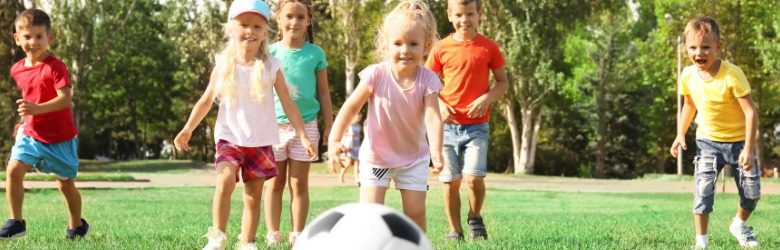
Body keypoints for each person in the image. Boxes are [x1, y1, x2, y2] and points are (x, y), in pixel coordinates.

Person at [173, 1, 315, 249]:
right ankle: (217, 237)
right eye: (244, 25)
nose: (250, 31)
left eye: (257, 26)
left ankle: (247, 242)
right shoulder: (224, 64)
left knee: (253, 196)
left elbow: (289, 105)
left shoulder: (272, 66)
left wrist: (302, 135)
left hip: (260, 141)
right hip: (230, 137)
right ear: (231, 28)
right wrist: (188, 128)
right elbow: (206, 100)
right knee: (225, 181)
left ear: (265, 32)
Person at [327, 0, 443, 231]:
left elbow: (433, 118)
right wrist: (334, 141)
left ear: (426, 45)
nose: (404, 50)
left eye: (413, 43)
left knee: (415, 212)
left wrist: (437, 152)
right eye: (397, 43)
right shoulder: (376, 75)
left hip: (413, 159)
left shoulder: (428, 80)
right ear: (387, 45)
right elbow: (350, 108)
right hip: (377, 158)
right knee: (370, 214)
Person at [670, 16, 760, 249]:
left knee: (751, 193)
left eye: (706, 47)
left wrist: (749, 149)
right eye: (692, 47)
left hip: (740, 142)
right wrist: (680, 133)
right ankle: (701, 242)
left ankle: (739, 224)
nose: (698, 52)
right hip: (707, 141)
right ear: (686, 48)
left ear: (719, 47)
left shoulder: (732, 74)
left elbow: (750, 112)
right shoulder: (688, 75)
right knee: (703, 190)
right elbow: (689, 105)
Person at [0, 9, 89, 240]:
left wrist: (38, 109)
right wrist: (22, 122)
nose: (33, 42)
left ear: (50, 38)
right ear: (17, 39)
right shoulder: (17, 69)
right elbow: (29, 97)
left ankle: (77, 225)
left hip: (60, 137)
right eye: (27, 37)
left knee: (65, 184)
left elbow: (66, 99)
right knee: (13, 170)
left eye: (39, 36)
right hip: (30, 133)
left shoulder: (55, 67)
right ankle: (16, 222)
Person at [425, 0, 509, 241]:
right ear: (450, 15)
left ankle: (474, 215)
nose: (465, 20)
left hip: (477, 126)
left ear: (479, 15)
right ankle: (455, 231)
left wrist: (487, 98)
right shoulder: (441, 48)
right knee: (450, 181)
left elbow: (503, 82)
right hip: (446, 128)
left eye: (470, 14)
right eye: (459, 15)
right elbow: (426, 85)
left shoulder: (488, 47)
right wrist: (440, 104)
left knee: (474, 178)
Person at [263, 0, 333, 245]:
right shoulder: (269, 52)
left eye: (301, 17)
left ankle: (298, 234)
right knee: (275, 182)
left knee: (298, 183)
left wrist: (329, 127)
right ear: (278, 19)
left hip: (307, 125)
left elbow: (324, 93)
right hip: (273, 126)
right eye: (289, 16)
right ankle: (273, 234)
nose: (295, 22)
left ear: (309, 21)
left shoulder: (316, 53)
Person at [338, 112, 363, 184]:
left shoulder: (359, 126)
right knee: (348, 163)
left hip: (357, 146)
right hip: (350, 146)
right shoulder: (349, 125)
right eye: (358, 117)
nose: (359, 119)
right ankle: (341, 176)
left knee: (357, 163)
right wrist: (349, 134)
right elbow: (342, 133)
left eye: (360, 118)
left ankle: (357, 179)